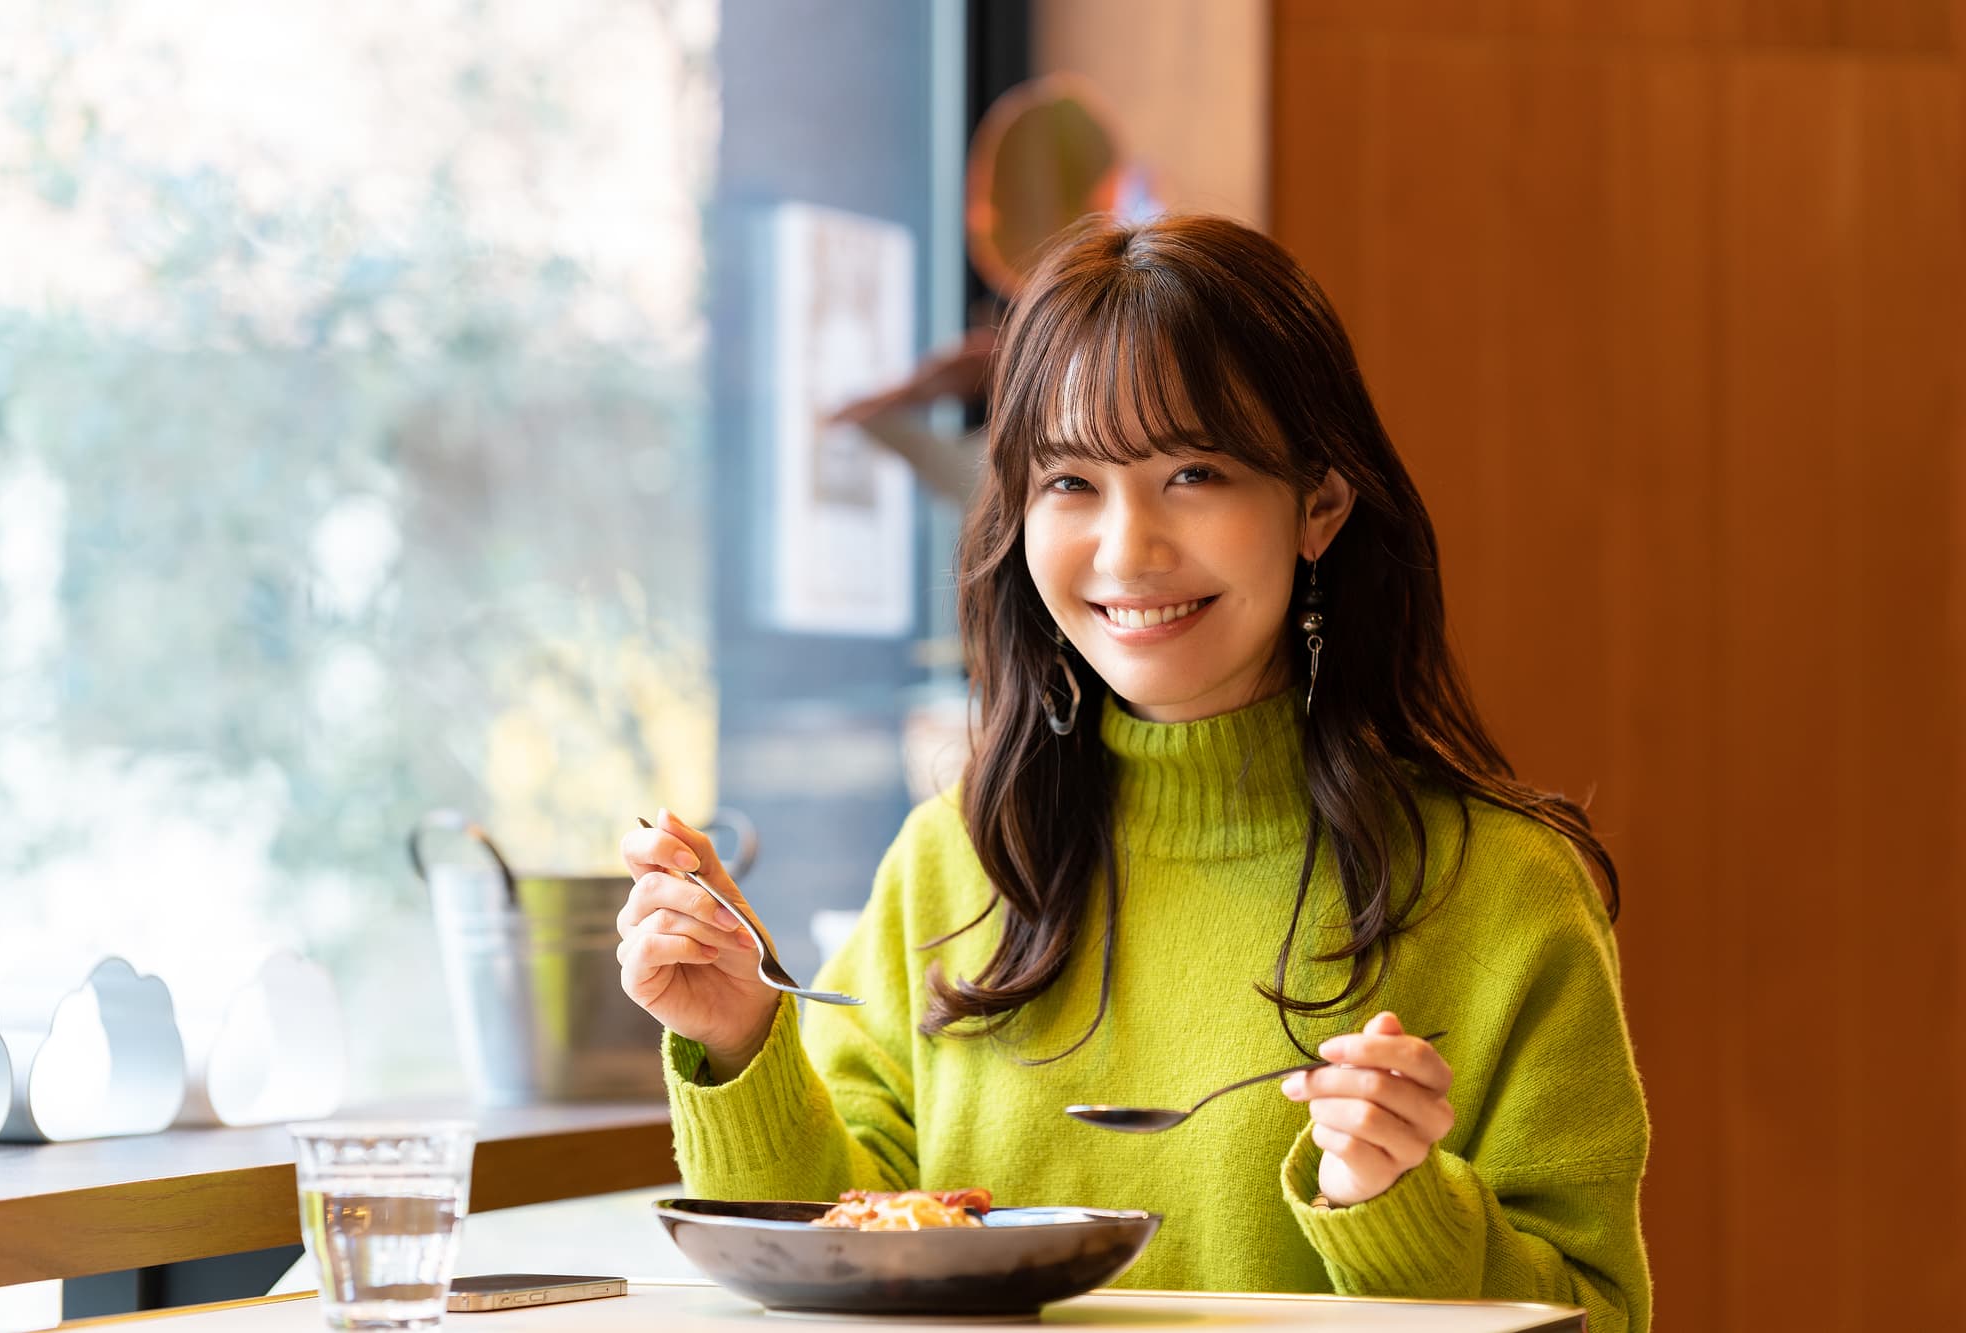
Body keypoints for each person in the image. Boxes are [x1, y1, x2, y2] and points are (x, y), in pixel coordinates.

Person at [617, 214, 1651, 1332]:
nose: (1125, 551)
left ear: (1319, 506)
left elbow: (1600, 1314)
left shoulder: (1503, 890)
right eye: (1068, 482)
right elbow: (847, 1237)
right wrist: (737, 1037)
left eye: (1193, 471)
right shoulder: (957, 855)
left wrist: (1395, 1203)